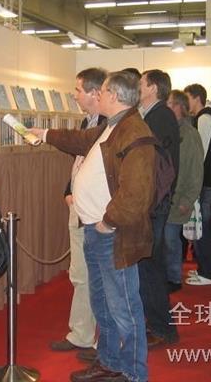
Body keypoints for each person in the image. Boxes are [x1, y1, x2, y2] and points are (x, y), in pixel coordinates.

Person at [31, 71, 155, 382]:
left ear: (114, 95)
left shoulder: (134, 132)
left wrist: (107, 222)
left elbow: (137, 193)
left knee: (123, 308)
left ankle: (133, 373)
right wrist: (44, 134)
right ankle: (110, 362)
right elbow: (80, 140)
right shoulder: (113, 126)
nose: (97, 96)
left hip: (113, 235)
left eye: (102, 91)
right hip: (96, 230)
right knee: (102, 304)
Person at [50, 68, 106, 356]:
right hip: (79, 207)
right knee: (80, 274)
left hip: (99, 212)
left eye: (78, 90)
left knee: (102, 276)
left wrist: (46, 134)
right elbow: (79, 163)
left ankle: (104, 341)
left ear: (95, 93)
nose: (74, 95)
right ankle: (81, 333)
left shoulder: (110, 124)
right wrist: (68, 191)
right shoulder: (88, 121)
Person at [137, 69, 180, 347]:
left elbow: (151, 161)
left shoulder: (160, 116)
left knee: (151, 267)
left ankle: (162, 328)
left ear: (153, 88)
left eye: (141, 83)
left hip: (155, 202)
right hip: (154, 201)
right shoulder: (155, 115)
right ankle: (156, 324)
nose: (137, 87)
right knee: (149, 265)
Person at [165, 90, 204, 290]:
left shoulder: (189, 135)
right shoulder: (168, 130)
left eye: (170, 103)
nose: (166, 107)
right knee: (164, 239)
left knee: (171, 239)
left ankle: (173, 278)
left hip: (178, 197)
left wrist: (188, 199)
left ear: (179, 106)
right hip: (165, 197)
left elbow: (196, 170)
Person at [183, 83, 211, 286]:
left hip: (204, 183)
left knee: (202, 227)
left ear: (196, 98)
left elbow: (200, 155)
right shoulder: (203, 119)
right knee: (199, 226)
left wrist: (191, 180)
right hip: (204, 182)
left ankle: (208, 272)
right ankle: (204, 268)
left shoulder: (204, 119)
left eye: (187, 98)